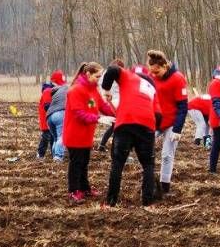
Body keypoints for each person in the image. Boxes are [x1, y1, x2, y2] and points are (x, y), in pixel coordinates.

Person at [102, 62, 162, 208]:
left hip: (125, 123)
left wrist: (106, 89)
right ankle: (147, 202)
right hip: (147, 125)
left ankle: (111, 201)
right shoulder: (152, 89)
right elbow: (159, 115)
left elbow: (112, 69)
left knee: (118, 163)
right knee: (148, 165)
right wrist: (154, 132)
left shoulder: (129, 76)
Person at [62, 63, 115, 203]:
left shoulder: (93, 89)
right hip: (75, 135)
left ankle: (84, 188)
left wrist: (115, 114)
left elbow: (102, 106)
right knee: (76, 164)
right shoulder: (75, 90)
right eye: (97, 76)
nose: (99, 79)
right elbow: (79, 113)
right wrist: (99, 118)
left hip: (86, 135)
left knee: (84, 162)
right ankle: (73, 191)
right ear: (88, 74)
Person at [146, 50, 188, 195]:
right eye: (152, 72)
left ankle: (165, 187)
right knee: (145, 150)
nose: (154, 75)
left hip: (172, 123)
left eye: (157, 72)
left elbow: (183, 106)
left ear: (165, 66)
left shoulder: (178, 79)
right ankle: (149, 183)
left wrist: (177, 129)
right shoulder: (150, 78)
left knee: (166, 154)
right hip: (155, 121)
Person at [36, 70, 65, 160]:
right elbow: (47, 106)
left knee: (54, 136)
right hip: (46, 117)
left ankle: (54, 154)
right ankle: (40, 154)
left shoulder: (57, 90)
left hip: (52, 116)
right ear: (53, 82)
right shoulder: (47, 91)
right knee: (46, 136)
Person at [45, 75, 71, 162]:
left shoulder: (56, 91)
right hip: (60, 113)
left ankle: (54, 156)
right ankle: (58, 157)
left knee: (56, 138)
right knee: (62, 136)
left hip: (49, 116)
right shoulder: (69, 89)